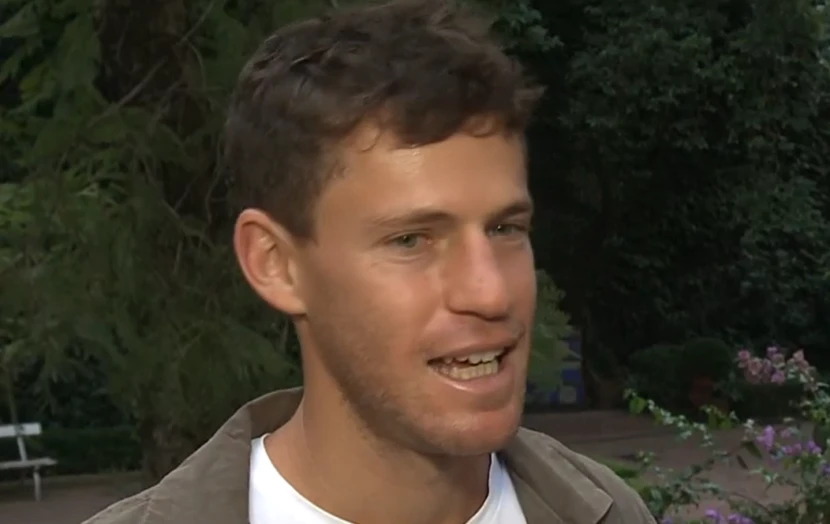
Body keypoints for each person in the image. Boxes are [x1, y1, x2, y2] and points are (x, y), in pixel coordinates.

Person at [85, 1, 656, 523]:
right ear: (275, 264)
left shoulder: (606, 511)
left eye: (505, 228)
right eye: (411, 240)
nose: (490, 293)